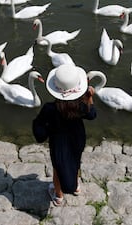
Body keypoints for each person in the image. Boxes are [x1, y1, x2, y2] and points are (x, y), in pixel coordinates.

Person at [32, 64, 97, 206]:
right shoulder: (81, 105)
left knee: (58, 167)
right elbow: (92, 115)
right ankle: (76, 186)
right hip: (77, 138)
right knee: (75, 160)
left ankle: (58, 195)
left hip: (58, 141)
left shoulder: (50, 108)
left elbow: (40, 127)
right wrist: (89, 98)